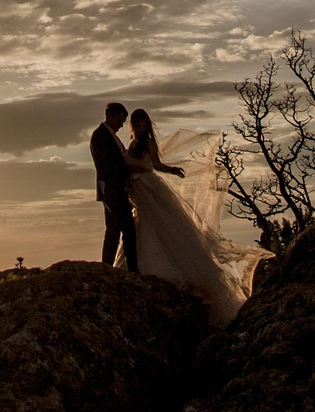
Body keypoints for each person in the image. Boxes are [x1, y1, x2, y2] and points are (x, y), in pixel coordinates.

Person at [121, 106, 259, 326]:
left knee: (160, 224)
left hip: (147, 185)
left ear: (146, 125)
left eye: (142, 124)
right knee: (142, 225)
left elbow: (155, 165)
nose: (139, 128)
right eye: (136, 125)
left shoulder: (148, 142)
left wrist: (172, 170)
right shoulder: (132, 142)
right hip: (136, 188)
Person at [91, 102, 137, 271]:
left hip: (115, 189)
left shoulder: (109, 136)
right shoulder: (100, 136)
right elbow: (105, 165)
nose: (121, 125)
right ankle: (131, 269)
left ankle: (107, 267)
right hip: (112, 190)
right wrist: (128, 169)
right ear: (110, 116)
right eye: (119, 121)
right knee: (126, 229)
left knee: (114, 230)